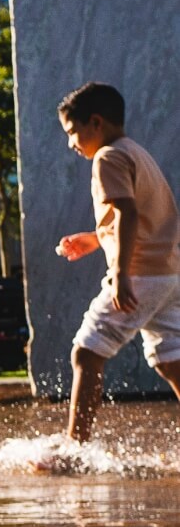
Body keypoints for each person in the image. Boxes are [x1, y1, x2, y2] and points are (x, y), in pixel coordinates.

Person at [52, 81, 180, 448]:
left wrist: (122, 274)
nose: (71, 143)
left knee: (87, 352)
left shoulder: (107, 157)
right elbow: (139, 216)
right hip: (168, 274)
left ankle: (75, 448)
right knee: (171, 359)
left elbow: (127, 212)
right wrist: (94, 240)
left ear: (96, 123)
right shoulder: (137, 152)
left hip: (140, 274)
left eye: (73, 132)